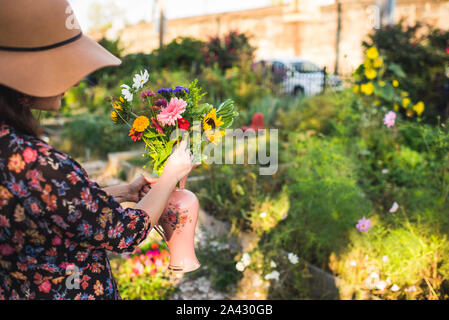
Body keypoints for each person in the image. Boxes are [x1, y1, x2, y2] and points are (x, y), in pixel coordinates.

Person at [0, 0, 195, 300]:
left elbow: (52, 208)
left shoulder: (11, 150)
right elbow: (125, 234)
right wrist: (171, 176)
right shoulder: (39, 164)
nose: (75, 78)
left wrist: (124, 192)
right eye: (62, 65)